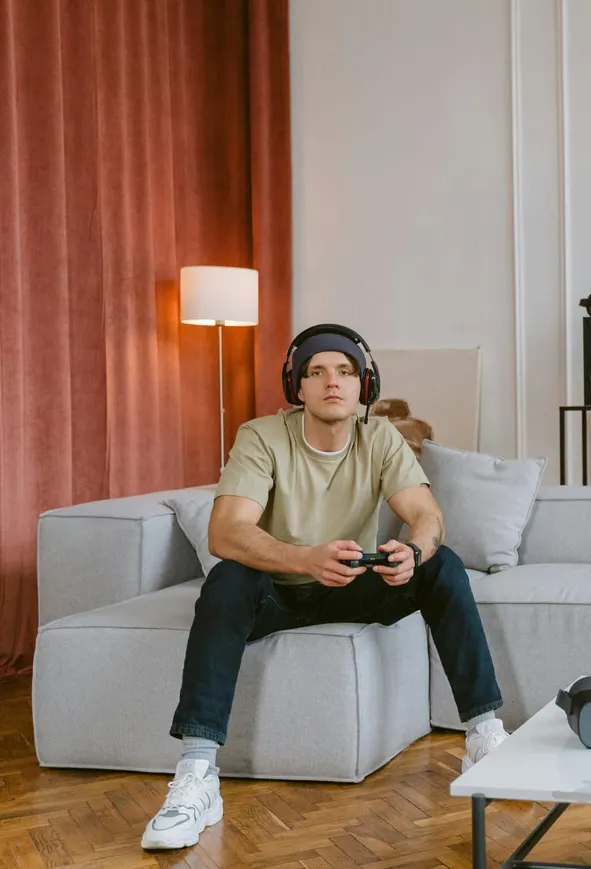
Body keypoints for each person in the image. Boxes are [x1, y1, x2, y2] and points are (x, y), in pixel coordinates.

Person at [141, 324, 508, 851]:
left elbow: (427, 516)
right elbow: (225, 531)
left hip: (353, 585)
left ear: (364, 385)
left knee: (442, 563)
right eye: (316, 372)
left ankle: (483, 735)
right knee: (226, 579)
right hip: (279, 591)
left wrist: (413, 551)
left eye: (345, 371)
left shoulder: (379, 436)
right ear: (298, 386)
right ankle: (197, 777)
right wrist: (303, 558)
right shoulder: (261, 436)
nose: (331, 382)